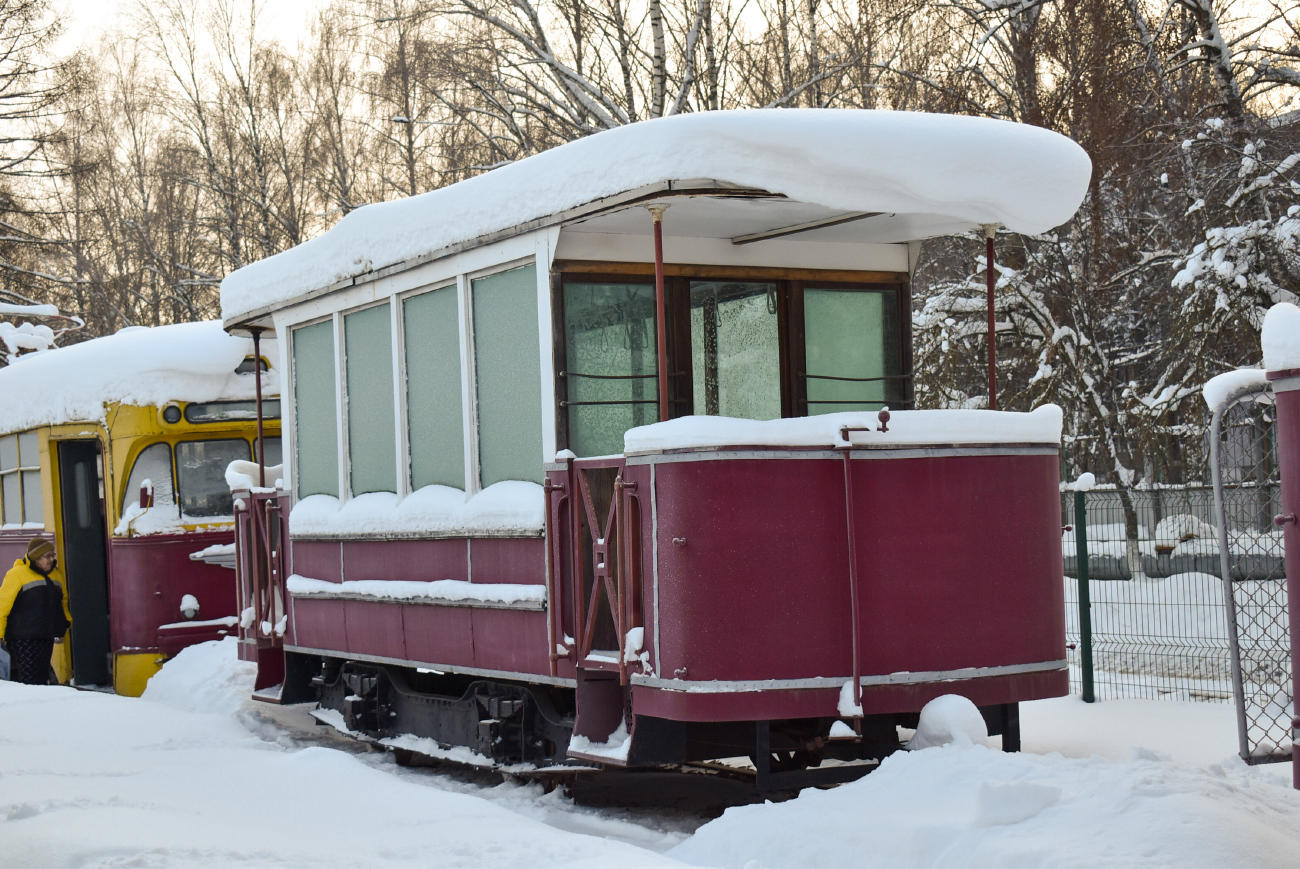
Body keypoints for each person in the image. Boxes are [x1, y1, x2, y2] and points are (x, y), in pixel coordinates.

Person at [0, 538, 71, 685]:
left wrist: (66, 622)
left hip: (46, 636)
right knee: (29, 680)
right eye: (47, 556)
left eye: (52, 555)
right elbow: (2, 607)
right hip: (23, 638)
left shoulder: (56, 575)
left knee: (41, 677)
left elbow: (62, 602)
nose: (51, 560)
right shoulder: (17, 574)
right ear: (35, 558)